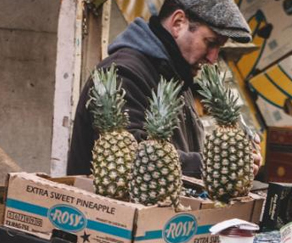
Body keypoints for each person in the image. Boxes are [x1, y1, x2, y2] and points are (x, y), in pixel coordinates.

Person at [67, 0, 257, 180]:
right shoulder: (123, 73)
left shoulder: (177, 75)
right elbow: (133, 160)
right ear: (178, 23)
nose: (213, 58)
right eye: (210, 42)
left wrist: (234, 160)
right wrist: (218, 165)